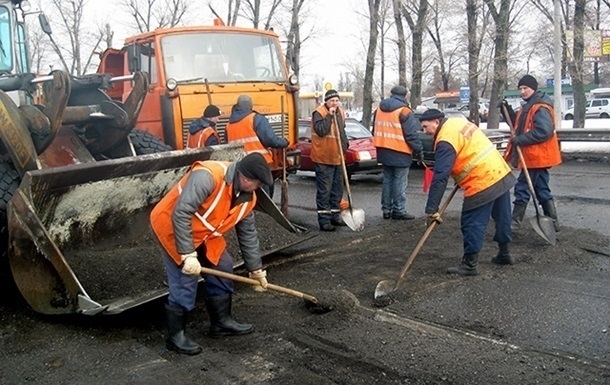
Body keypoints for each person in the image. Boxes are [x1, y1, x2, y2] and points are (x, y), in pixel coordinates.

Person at [150, 153, 273, 355]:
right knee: (186, 276)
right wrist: (188, 254)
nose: (259, 189)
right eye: (258, 184)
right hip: (173, 226)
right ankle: (175, 337)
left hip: (206, 232)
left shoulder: (247, 198)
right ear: (245, 178)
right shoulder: (208, 176)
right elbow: (181, 213)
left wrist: (256, 269)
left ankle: (221, 323)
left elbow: (248, 234)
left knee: (222, 266)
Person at [419, 109, 517, 276]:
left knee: (472, 222)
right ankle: (504, 253)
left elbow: (441, 176)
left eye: (425, 127)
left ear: (436, 121)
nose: (424, 132)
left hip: (482, 179)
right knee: (503, 217)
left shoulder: (445, 139)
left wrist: (431, 209)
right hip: (500, 172)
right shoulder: (458, 123)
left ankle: (470, 265)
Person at [503, 75, 562, 231]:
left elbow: (544, 131)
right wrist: (507, 110)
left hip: (537, 156)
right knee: (541, 189)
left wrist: (520, 140)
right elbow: (519, 123)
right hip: (533, 157)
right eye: (520, 89)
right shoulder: (528, 106)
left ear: (533, 88)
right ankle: (553, 223)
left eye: (525, 88)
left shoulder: (540, 107)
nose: (522, 91)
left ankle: (514, 224)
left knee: (522, 188)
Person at [372, 85, 423, 220]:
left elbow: (374, 130)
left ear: (390, 94)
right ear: (405, 96)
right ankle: (398, 209)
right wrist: (418, 150)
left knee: (388, 181)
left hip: (383, 149)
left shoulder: (379, 110)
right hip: (400, 151)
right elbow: (411, 134)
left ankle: (386, 209)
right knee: (400, 182)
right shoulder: (405, 111)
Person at [225, 94, 288, 195]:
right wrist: (285, 142)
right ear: (250, 106)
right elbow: (270, 140)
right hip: (259, 164)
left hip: (239, 167)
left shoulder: (229, 125)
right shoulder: (256, 118)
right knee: (264, 197)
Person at [311, 89, 349, 232]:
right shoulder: (319, 113)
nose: (334, 103)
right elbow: (321, 130)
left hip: (338, 156)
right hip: (323, 157)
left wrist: (345, 146)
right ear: (326, 101)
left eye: (336, 100)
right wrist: (329, 116)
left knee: (337, 189)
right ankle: (324, 220)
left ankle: (335, 215)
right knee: (324, 191)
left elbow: (342, 131)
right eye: (331, 100)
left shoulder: (341, 112)